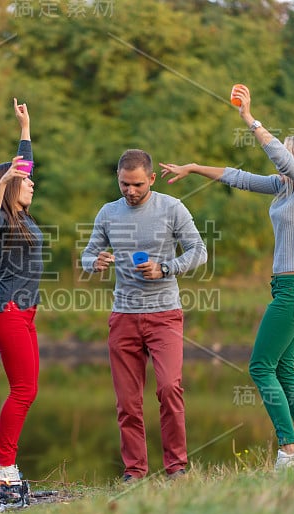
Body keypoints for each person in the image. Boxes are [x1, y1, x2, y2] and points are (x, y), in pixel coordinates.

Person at [159, 84, 294, 469]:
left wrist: (249, 119)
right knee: (284, 369)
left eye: (287, 154)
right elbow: (237, 177)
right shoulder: (285, 189)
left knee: (259, 366)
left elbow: (282, 161)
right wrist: (193, 167)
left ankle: (290, 452)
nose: (281, 161)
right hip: (290, 288)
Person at [81, 149, 208, 482]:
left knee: (169, 388)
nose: (130, 191)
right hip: (123, 316)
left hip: (164, 313)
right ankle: (134, 471)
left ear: (151, 179)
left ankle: (176, 467)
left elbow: (199, 251)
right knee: (127, 401)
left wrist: (166, 268)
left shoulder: (172, 208)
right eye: (124, 184)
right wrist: (93, 262)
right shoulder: (108, 213)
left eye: (137, 184)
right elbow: (88, 252)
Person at [0, 98, 40, 483]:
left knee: (28, 390)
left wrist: (25, 130)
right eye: (24, 181)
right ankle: (2, 466)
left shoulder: (24, 216)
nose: (32, 182)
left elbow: (25, 167)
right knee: (23, 390)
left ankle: (3, 464)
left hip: (25, 313)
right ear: (9, 187)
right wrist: (3, 181)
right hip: (9, 312)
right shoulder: (0, 222)